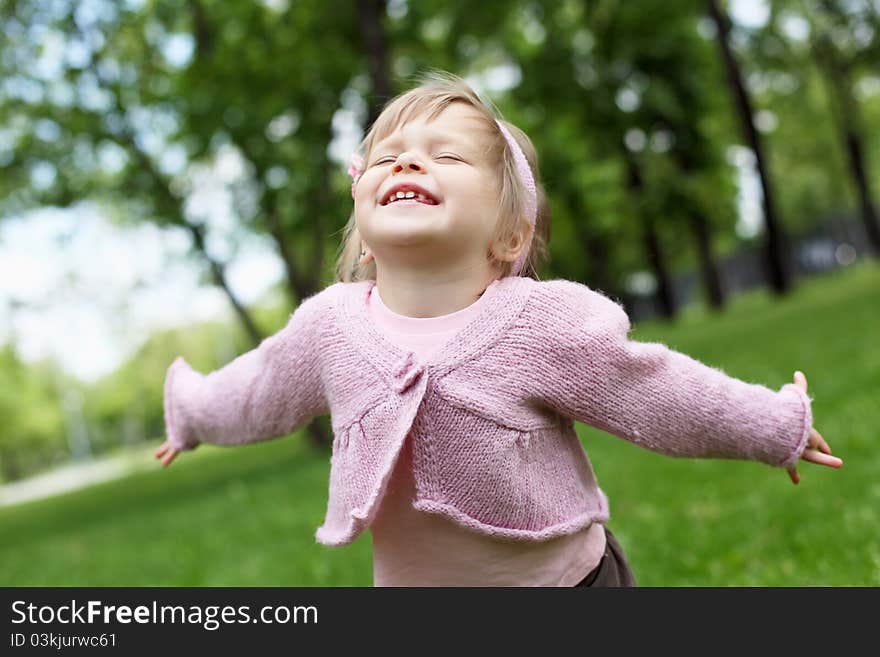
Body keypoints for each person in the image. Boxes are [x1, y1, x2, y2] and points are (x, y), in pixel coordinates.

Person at [155, 69, 842, 587]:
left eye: (447, 156)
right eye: (388, 154)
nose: (407, 160)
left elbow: (656, 392)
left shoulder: (539, 324)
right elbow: (258, 389)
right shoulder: (330, 326)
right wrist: (191, 410)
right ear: (364, 227)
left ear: (510, 233)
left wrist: (769, 424)